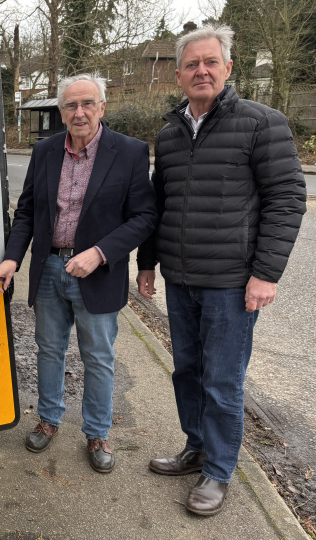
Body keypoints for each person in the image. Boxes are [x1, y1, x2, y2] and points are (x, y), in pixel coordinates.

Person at [137, 24, 307, 515]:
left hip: (232, 285)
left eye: (211, 62)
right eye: (192, 64)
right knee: (187, 371)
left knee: (223, 380)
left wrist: (266, 273)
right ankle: (197, 447)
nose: (202, 71)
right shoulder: (169, 134)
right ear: (178, 74)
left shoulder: (261, 122)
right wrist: (147, 265)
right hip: (180, 280)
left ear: (228, 68)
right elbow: (158, 205)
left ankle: (218, 471)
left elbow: (287, 198)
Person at [0, 74, 157, 473]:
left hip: (97, 273)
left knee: (98, 357)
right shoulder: (45, 151)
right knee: (49, 349)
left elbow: (145, 217)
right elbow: (27, 212)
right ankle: (49, 419)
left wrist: (100, 253)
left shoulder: (129, 152)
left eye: (87, 104)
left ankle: (97, 432)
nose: (79, 113)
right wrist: (12, 258)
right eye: (70, 106)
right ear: (60, 111)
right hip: (49, 269)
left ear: (102, 106)